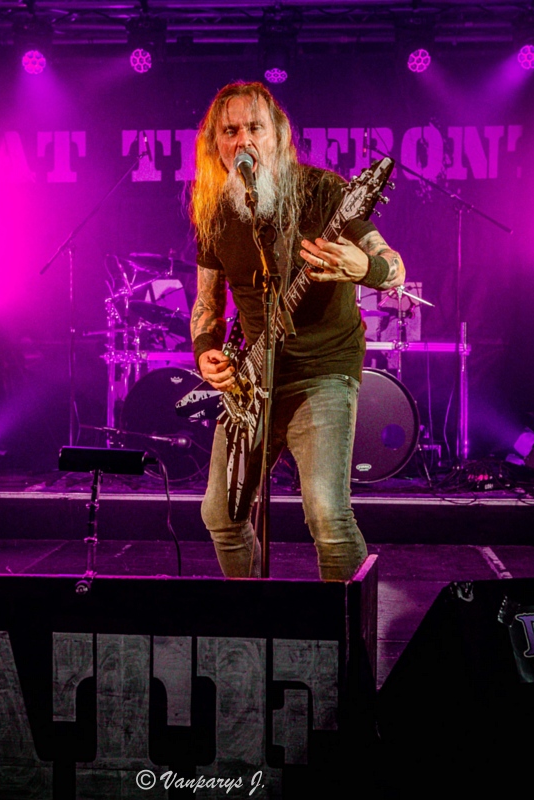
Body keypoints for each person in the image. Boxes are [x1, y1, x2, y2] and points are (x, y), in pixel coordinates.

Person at [188, 81, 405, 581]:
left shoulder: (324, 191)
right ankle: (253, 619)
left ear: (278, 135)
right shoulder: (214, 213)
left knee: (327, 514)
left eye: (255, 128)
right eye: (230, 131)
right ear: (216, 144)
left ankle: (346, 627)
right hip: (253, 379)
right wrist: (205, 351)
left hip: (323, 371)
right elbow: (206, 305)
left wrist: (365, 267)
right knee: (220, 514)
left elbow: (393, 265)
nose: (243, 140)